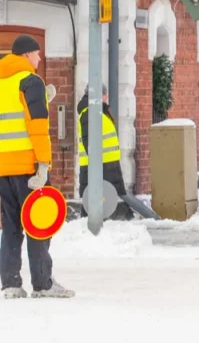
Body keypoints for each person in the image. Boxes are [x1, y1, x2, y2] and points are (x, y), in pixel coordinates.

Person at [0, 37, 70, 299]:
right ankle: (43, 283)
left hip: (3, 168)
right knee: (38, 222)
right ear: (28, 54)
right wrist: (43, 165)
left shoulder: (3, 83)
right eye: (38, 55)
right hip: (28, 167)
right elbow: (37, 127)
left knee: (10, 225)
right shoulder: (30, 82)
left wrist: (44, 100)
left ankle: (10, 284)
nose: (40, 59)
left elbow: (11, 120)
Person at [76, 86, 133, 221]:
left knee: (103, 207)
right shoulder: (90, 112)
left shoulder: (96, 111)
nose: (106, 99)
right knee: (94, 210)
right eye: (105, 95)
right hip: (99, 168)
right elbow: (89, 140)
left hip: (105, 167)